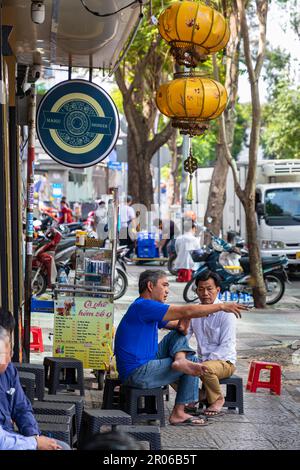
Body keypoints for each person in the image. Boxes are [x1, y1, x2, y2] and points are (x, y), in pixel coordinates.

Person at [114, 270, 246, 426]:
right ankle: (178, 412)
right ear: (150, 286)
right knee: (191, 360)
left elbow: (180, 328)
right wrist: (221, 306)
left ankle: (180, 361)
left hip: (143, 365)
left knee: (178, 339)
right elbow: (186, 310)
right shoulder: (145, 305)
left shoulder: (144, 307)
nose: (167, 290)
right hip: (137, 373)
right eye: (164, 285)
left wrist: (185, 320)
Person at [0, 313, 69, 450]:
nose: (9, 354)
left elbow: (22, 408)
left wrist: (33, 435)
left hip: (13, 437)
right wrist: (35, 444)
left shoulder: (9, 371)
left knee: (62, 447)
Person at [186, 271, 237, 417]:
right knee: (172, 365)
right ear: (196, 291)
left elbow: (226, 345)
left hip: (224, 361)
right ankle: (199, 395)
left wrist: (202, 363)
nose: (205, 293)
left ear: (218, 290)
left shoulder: (226, 312)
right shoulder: (195, 310)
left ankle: (218, 399)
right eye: (201, 289)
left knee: (206, 368)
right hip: (203, 361)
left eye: (209, 289)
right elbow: (185, 335)